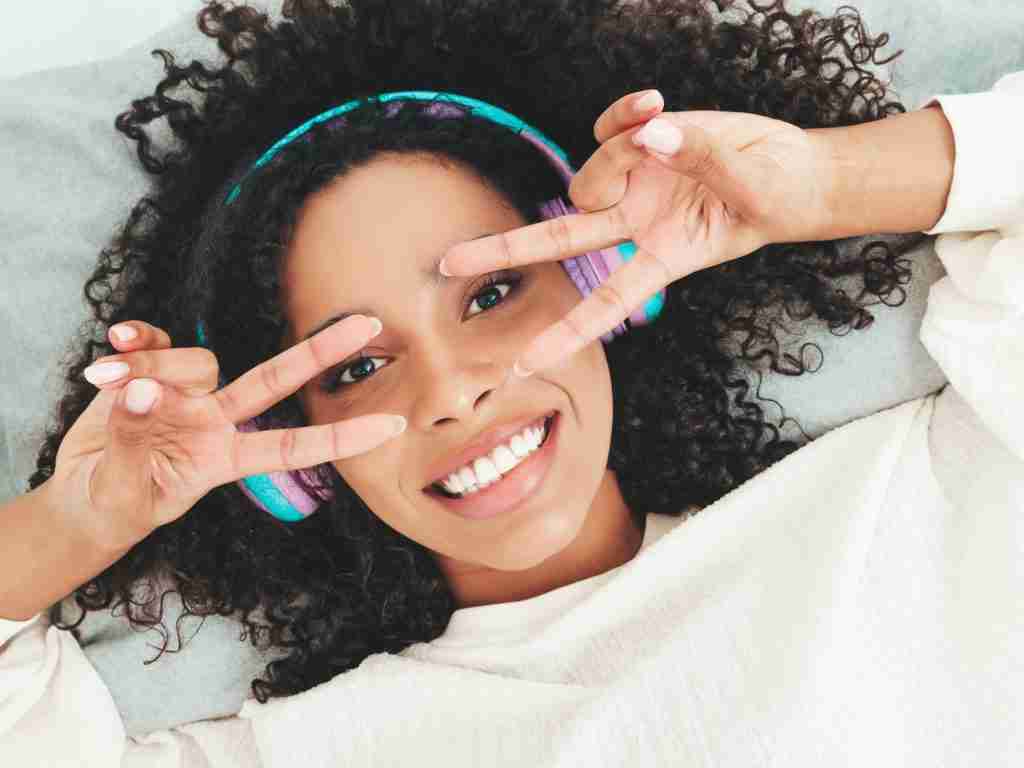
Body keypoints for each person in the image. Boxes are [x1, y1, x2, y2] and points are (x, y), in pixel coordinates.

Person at [1, 0, 1021, 764]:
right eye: (357, 366)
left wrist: (820, 186)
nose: (447, 392)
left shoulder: (914, 496)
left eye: (491, 294)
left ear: (606, 278)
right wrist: (79, 522)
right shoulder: (312, 750)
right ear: (290, 461)